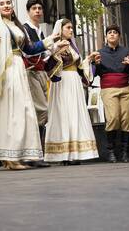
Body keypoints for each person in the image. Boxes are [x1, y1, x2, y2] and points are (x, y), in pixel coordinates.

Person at [0, 0, 59, 170]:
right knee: (12, 111)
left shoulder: (17, 26)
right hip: (7, 71)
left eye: (8, 3)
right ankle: (11, 158)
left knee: (25, 111)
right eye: (2, 3)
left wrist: (50, 40)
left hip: (20, 69)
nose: (6, 5)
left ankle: (21, 155)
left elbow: (30, 49)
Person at [44, 19, 99, 165]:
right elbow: (47, 65)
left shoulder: (73, 47)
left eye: (72, 28)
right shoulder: (55, 46)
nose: (71, 30)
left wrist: (89, 60)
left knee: (75, 114)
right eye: (68, 28)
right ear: (60, 29)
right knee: (63, 114)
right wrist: (56, 50)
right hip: (62, 82)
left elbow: (80, 68)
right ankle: (64, 154)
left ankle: (75, 153)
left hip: (74, 82)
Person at [85, 25, 129, 163]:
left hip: (125, 88)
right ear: (106, 36)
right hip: (109, 89)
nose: (112, 34)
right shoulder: (99, 53)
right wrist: (93, 63)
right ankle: (110, 151)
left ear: (119, 36)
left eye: (115, 32)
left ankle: (125, 152)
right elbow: (90, 76)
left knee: (127, 119)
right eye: (110, 33)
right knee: (113, 117)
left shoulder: (126, 51)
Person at [21, 0, 51, 168]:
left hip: (41, 73)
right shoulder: (25, 29)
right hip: (31, 73)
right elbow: (28, 52)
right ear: (29, 11)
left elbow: (44, 54)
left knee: (41, 113)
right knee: (41, 111)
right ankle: (34, 154)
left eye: (40, 8)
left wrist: (54, 48)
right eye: (34, 8)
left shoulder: (39, 30)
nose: (38, 11)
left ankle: (36, 153)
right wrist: (49, 44)